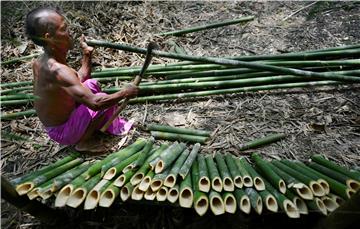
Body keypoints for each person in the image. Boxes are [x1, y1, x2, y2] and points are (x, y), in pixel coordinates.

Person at [25, 7, 138, 153]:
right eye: (64, 29)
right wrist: (125, 93)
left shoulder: (42, 61)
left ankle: (85, 129)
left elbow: (79, 80)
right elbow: (96, 103)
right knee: (102, 98)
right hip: (62, 131)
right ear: (49, 37)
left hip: (62, 121)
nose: (69, 32)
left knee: (91, 84)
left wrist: (87, 55)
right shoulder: (56, 70)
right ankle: (83, 142)